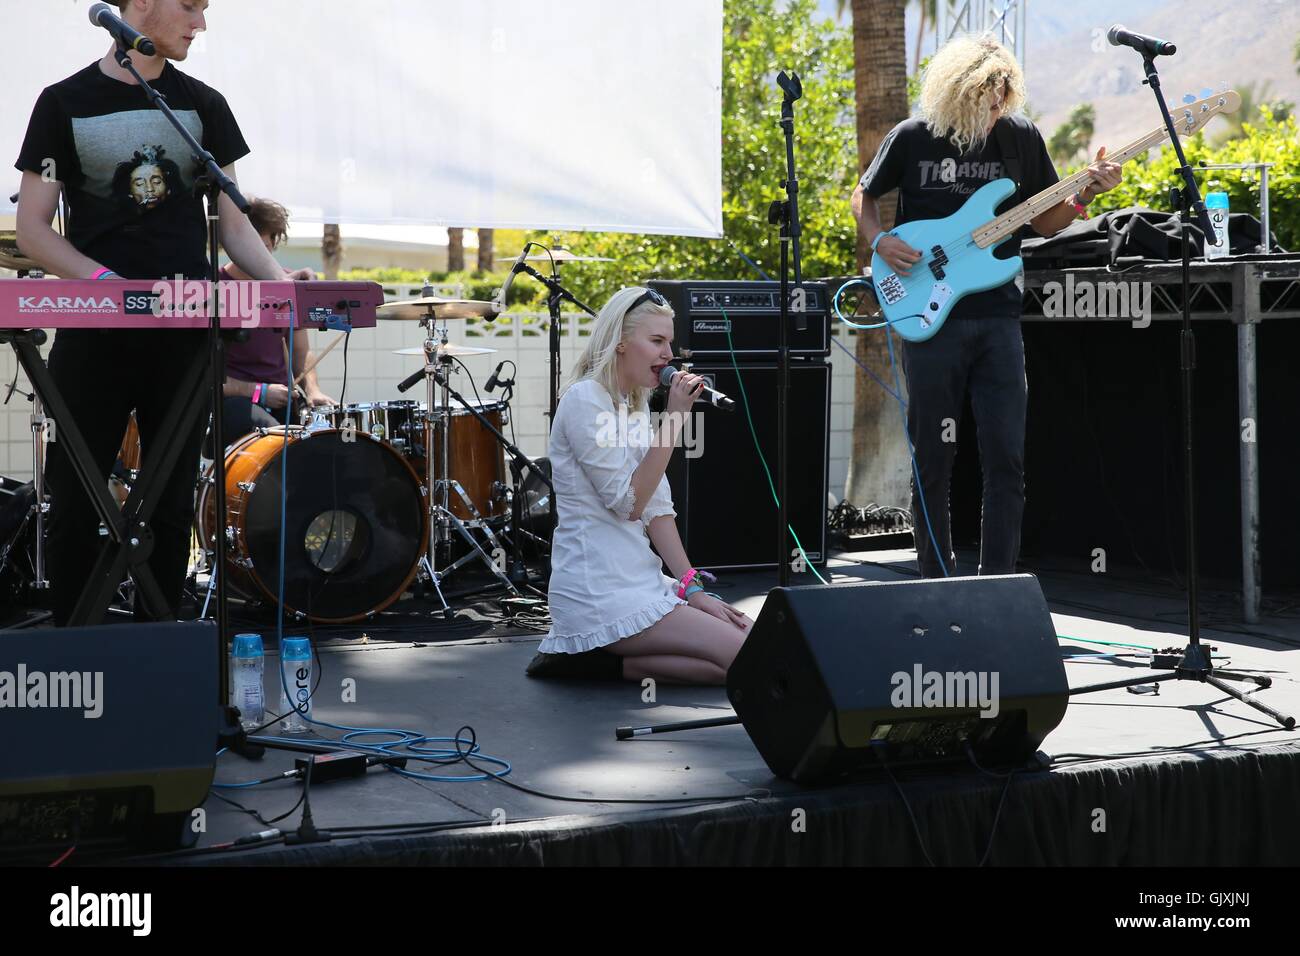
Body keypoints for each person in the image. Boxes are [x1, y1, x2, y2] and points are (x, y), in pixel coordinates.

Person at [14, 0, 304, 623]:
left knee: (170, 503)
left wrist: (284, 286)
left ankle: (164, 654)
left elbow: (235, 224)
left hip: (185, 330)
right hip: (96, 329)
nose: (201, 23)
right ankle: (77, 658)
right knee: (75, 499)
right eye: (190, 7)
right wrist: (109, 284)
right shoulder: (63, 102)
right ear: (139, 4)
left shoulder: (203, 104)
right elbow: (33, 231)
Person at [850, 35, 1122, 578]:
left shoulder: (1020, 139)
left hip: (998, 315)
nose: (997, 108)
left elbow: (1044, 221)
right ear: (957, 92)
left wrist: (1086, 195)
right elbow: (863, 194)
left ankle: (997, 581)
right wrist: (879, 241)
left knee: (1006, 456)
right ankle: (934, 577)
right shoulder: (913, 137)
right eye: (986, 98)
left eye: (1003, 97)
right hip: (932, 317)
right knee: (934, 456)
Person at [527, 287, 753, 685]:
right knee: (750, 656)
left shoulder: (633, 404)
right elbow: (628, 503)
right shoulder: (585, 401)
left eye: (670, 342)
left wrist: (693, 588)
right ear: (620, 343)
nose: (669, 354)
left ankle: (598, 665)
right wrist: (676, 418)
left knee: (748, 645)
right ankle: (587, 649)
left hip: (641, 581)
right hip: (598, 590)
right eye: (657, 341)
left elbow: (657, 510)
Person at [219, 197, 334, 449]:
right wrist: (258, 391)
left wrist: (313, 390)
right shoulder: (212, 289)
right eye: (255, 247)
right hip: (234, 406)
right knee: (276, 443)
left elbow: (301, 351)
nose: (263, 255)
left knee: (332, 443)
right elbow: (204, 378)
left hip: (284, 402)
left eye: (268, 247)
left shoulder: (284, 283)